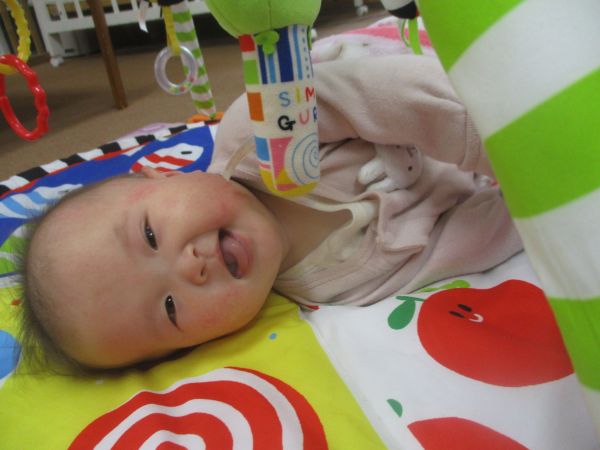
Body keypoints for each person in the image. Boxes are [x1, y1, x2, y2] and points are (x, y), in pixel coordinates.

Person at [21, 55, 522, 371]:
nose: (190, 267)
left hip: (457, 98)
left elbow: (381, 91)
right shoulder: (334, 288)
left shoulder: (258, 134)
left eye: (150, 235)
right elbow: (463, 245)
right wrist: (533, 209)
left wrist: (498, 141)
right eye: (170, 308)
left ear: (161, 176)